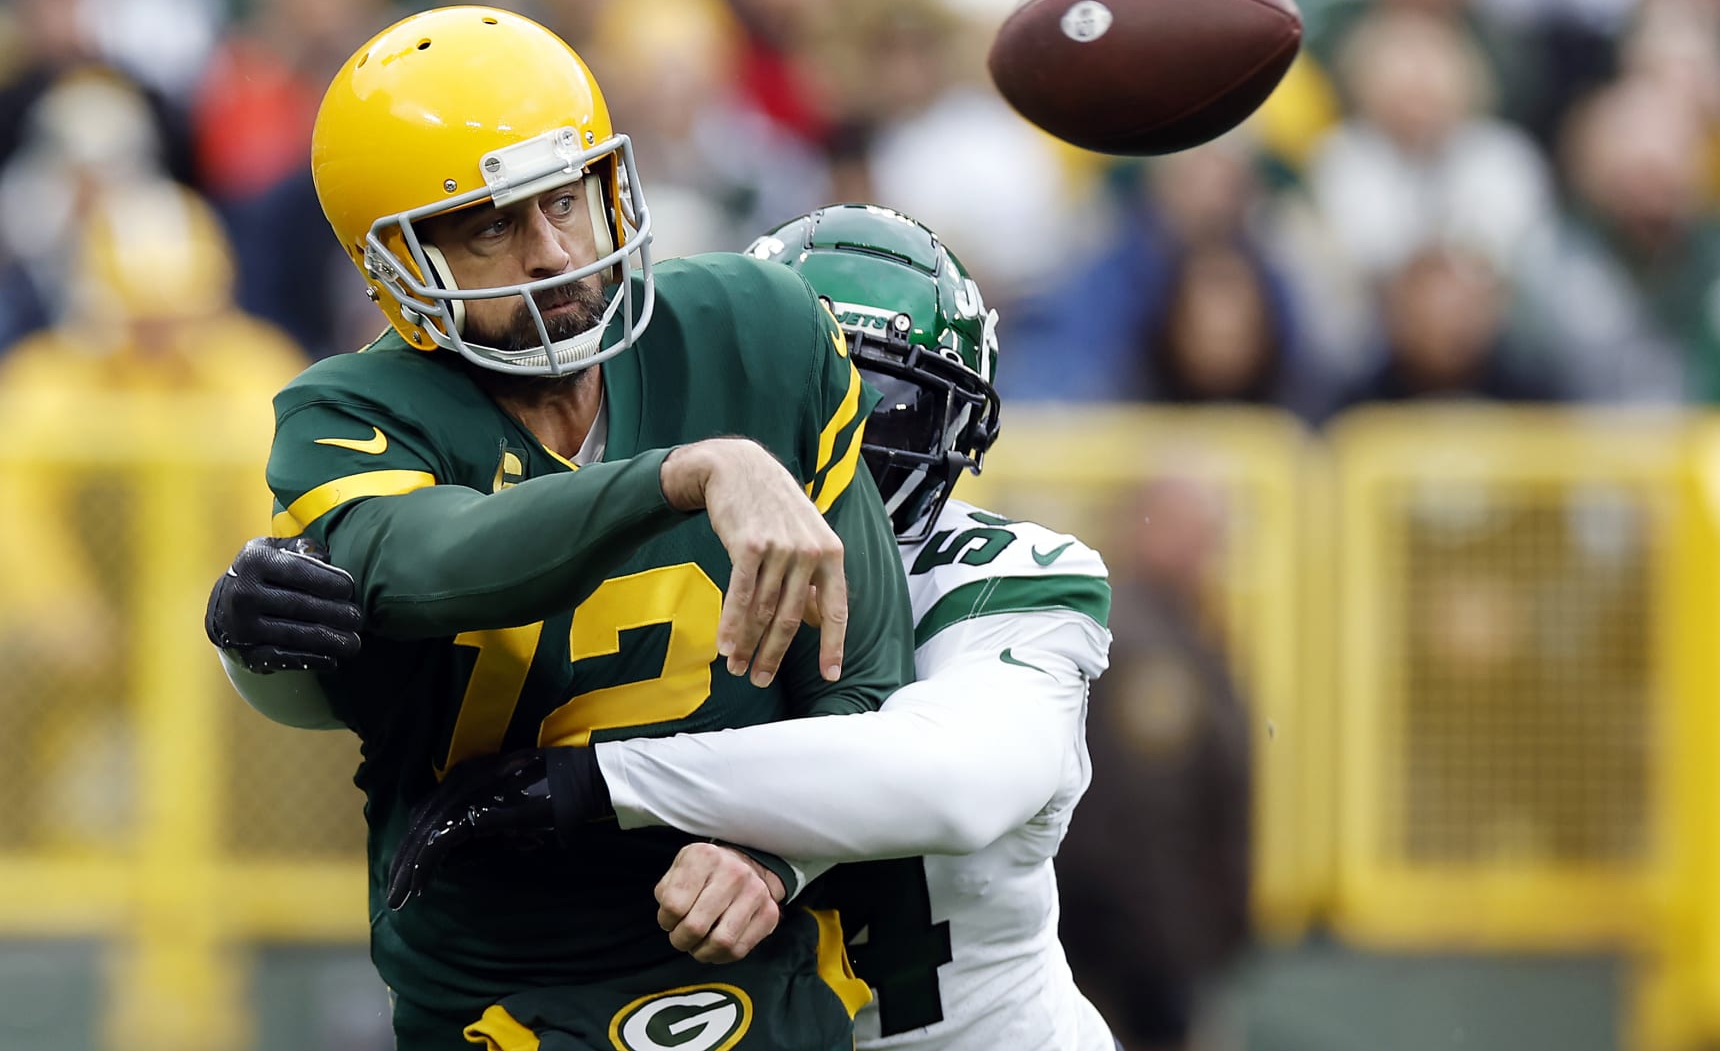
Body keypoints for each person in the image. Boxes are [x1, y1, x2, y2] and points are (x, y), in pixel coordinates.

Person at [214, 204, 1121, 1050]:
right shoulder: (665, 547)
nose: (861, 434)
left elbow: (947, 781)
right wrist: (271, 646)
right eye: (825, 386)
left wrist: (599, 783)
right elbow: (377, 689)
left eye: (892, 404)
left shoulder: (1014, 576)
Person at [207, 6, 915, 1050]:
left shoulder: (755, 331)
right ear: (400, 260)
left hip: (754, 949)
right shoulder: (350, 413)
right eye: (492, 225)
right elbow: (434, 560)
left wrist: (776, 850)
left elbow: (863, 688)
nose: (553, 254)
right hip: (500, 988)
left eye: (566, 200)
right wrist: (682, 475)